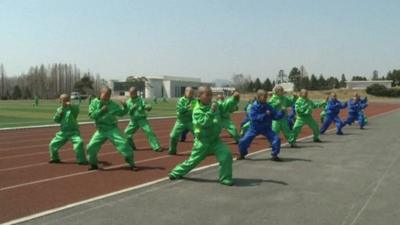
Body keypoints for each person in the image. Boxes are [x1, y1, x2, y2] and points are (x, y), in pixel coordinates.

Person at [169, 86, 234, 186]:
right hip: (202, 142)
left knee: (227, 155)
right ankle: (176, 172)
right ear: (199, 96)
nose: (209, 97)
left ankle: (225, 178)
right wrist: (211, 112)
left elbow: (225, 107)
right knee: (192, 161)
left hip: (215, 140)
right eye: (207, 95)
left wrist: (233, 100)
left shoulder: (214, 105)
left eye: (210, 95)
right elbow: (204, 123)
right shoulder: (197, 110)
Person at [86, 87, 136, 171]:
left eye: (109, 95)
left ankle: (131, 163)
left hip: (112, 129)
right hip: (101, 130)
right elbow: (91, 115)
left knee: (123, 144)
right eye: (105, 95)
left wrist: (125, 107)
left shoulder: (112, 104)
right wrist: (101, 111)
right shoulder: (94, 103)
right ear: (100, 94)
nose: (107, 97)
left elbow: (121, 113)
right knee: (91, 147)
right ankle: (93, 164)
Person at [238, 89, 284, 161]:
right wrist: (265, 114)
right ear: (259, 97)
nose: (266, 98)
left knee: (276, 139)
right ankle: (242, 154)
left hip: (266, 128)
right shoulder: (253, 107)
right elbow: (254, 118)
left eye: (266, 97)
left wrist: (282, 112)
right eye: (264, 97)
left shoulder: (268, 106)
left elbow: (276, 116)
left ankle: (274, 155)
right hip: (254, 128)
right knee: (243, 141)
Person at [49, 94, 87, 165]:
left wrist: (71, 106)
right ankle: (55, 158)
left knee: (79, 143)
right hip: (63, 132)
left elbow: (76, 112)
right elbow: (56, 120)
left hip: (74, 132)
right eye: (64, 100)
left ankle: (82, 160)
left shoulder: (73, 108)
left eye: (67, 100)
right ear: (60, 101)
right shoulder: (59, 110)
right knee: (53, 144)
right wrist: (59, 114)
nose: (66, 102)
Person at [124, 87, 163, 152]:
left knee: (149, 132)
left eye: (133, 93)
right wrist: (132, 109)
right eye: (130, 93)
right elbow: (129, 113)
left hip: (142, 120)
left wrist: (148, 107)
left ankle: (156, 147)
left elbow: (146, 106)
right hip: (133, 121)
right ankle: (131, 146)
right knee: (126, 133)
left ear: (136, 93)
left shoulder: (141, 100)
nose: (131, 95)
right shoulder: (128, 102)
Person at [168, 87, 196, 155]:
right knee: (173, 136)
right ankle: (172, 150)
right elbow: (180, 111)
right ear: (185, 92)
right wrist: (187, 108)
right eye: (190, 92)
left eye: (192, 93)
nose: (191, 94)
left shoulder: (194, 101)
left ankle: (201, 150)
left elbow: (193, 111)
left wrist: (186, 110)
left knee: (199, 135)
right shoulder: (181, 100)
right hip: (181, 121)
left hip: (191, 121)